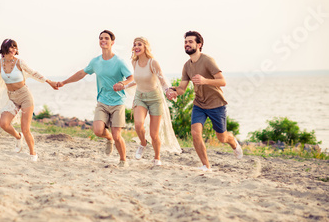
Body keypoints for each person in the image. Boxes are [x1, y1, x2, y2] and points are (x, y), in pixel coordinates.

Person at [166, 31, 243, 172]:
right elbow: (182, 88)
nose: (187, 44)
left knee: (222, 137)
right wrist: (173, 91)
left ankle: (233, 142)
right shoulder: (186, 66)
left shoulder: (207, 60)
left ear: (199, 44)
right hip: (199, 104)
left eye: (190, 42)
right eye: (185, 42)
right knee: (195, 133)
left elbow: (223, 81)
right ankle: (206, 166)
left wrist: (204, 81)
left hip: (216, 104)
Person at [57, 30, 133, 167]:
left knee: (118, 135)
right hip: (102, 101)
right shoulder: (95, 61)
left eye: (106, 38)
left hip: (118, 102)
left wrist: (122, 84)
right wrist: (64, 82)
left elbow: (131, 78)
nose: (103, 40)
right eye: (101, 38)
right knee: (98, 131)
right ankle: (108, 138)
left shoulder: (119, 62)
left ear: (112, 42)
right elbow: (81, 73)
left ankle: (123, 160)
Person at [119, 37, 181, 166]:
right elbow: (137, 80)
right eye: (134, 44)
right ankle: (142, 143)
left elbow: (162, 80)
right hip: (140, 97)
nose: (136, 47)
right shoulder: (134, 62)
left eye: (139, 44)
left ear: (145, 47)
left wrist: (168, 91)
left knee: (154, 134)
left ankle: (157, 157)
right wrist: (124, 86)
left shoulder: (153, 63)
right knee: (138, 124)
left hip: (155, 99)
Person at [0, 38, 58, 161]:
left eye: (15, 47)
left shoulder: (19, 62)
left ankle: (33, 154)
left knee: (26, 128)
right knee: (3, 124)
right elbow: (1, 79)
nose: (14, 49)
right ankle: (18, 137)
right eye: (11, 47)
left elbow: (34, 73)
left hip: (25, 97)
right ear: (4, 48)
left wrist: (50, 82)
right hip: (12, 97)